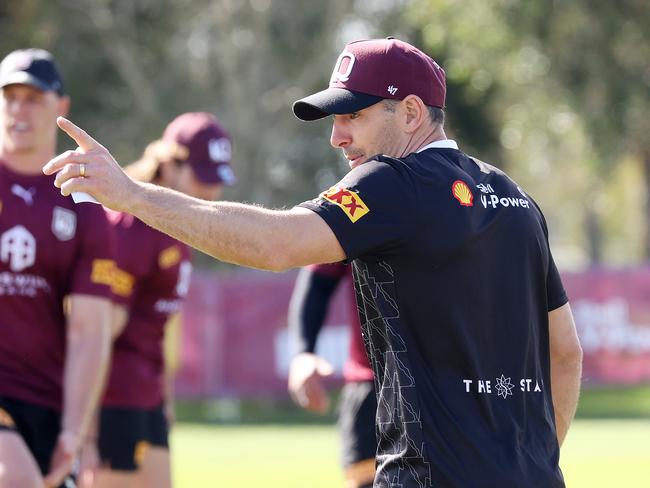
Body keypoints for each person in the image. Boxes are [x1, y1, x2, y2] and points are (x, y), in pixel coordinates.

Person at [44, 37, 584, 487]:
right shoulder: (516, 198)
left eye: (353, 114)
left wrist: (133, 195)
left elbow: (276, 243)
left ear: (413, 113)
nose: (336, 136)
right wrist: (539, 461)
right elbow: (566, 353)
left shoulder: (393, 183)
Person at [85, 112, 235, 488]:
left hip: (145, 394)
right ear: (170, 166)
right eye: (203, 178)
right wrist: (82, 427)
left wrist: (163, 394)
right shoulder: (133, 226)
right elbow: (98, 331)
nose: (212, 192)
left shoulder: (180, 227)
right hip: (113, 397)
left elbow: (162, 323)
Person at [0, 48, 114, 488]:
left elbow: (89, 330)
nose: (18, 108)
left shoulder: (83, 206)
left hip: (44, 403)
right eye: (10, 96)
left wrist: (74, 430)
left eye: (33, 97)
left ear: (61, 106)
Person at [288, 263, 376, 488]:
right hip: (373, 387)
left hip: (456, 385)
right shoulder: (360, 225)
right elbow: (317, 283)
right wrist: (303, 351)